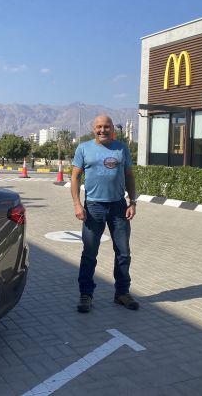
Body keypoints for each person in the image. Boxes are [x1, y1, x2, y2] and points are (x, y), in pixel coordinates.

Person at [71, 115, 138, 313]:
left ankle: (122, 293)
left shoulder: (121, 148)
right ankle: (86, 294)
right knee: (90, 253)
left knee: (123, 253)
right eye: (99, 127)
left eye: (106, 127)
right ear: (94, 129)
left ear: (112, 129)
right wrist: (77, 204)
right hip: (93, 207)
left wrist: (132, 202)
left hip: (118, 207)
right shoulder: (83, 148)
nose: (103, 130)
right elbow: (75, 177)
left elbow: (129, 176)